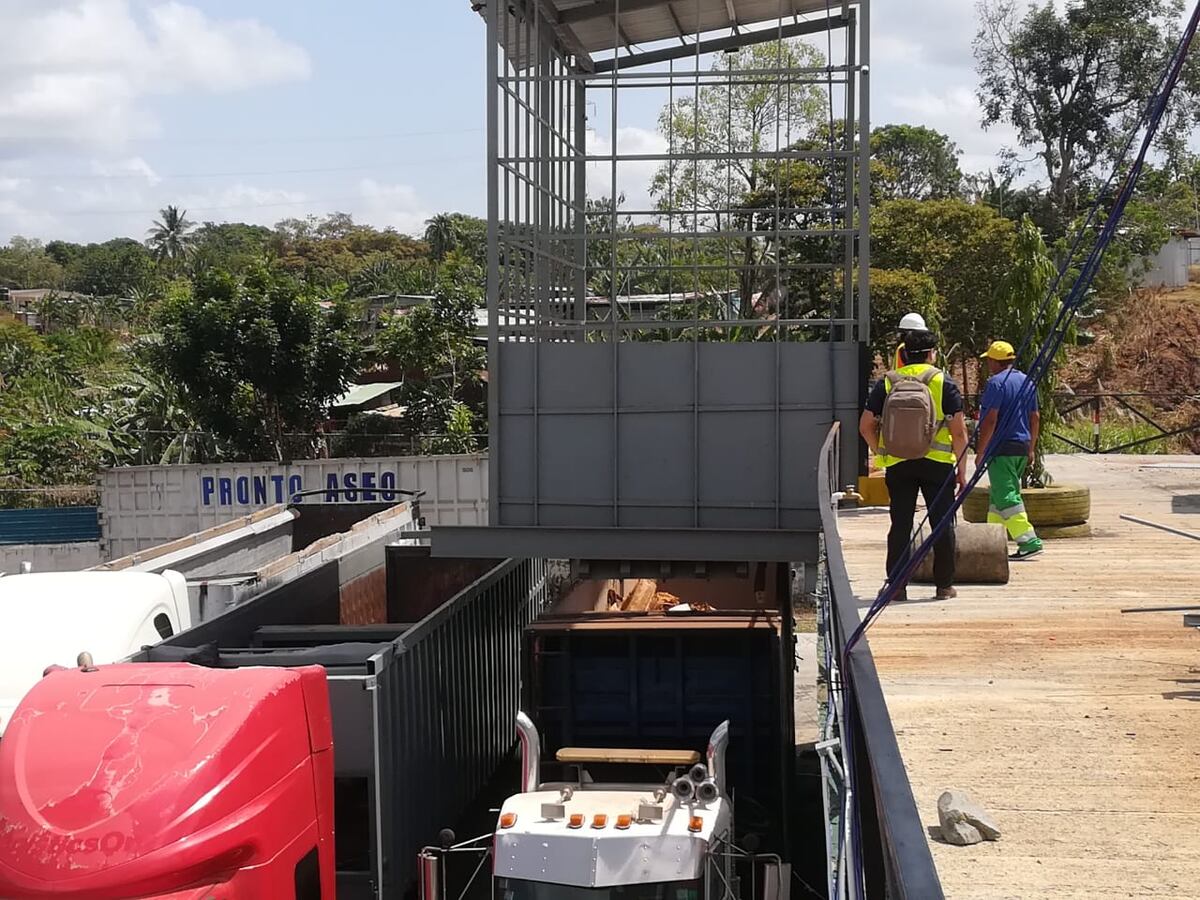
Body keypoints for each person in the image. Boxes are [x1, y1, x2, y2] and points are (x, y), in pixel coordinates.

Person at [859, 329, 969, 602]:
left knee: (900, 523)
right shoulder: (943, 381)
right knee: (942, 523)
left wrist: (883, 452)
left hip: (899, 464)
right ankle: (944, 586)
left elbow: (865, 426)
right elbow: (959, 433)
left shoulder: (888, 382)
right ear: (932, 354)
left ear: (904, 354)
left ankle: (897, 585)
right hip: (938, 465)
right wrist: (962, 471)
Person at [975, 340, 1044, 560]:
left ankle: (1028, 540)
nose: (988, 365)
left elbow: (990, 420)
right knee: (998, 496)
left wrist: (980, 451)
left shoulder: (996, 384)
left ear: (995, 362)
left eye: (989, 361)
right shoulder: (1027, 382)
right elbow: (1035, 418)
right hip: (1022, 446)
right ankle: (992, 540)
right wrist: (1031, 448)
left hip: (1001, 448)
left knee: (1006, 496)